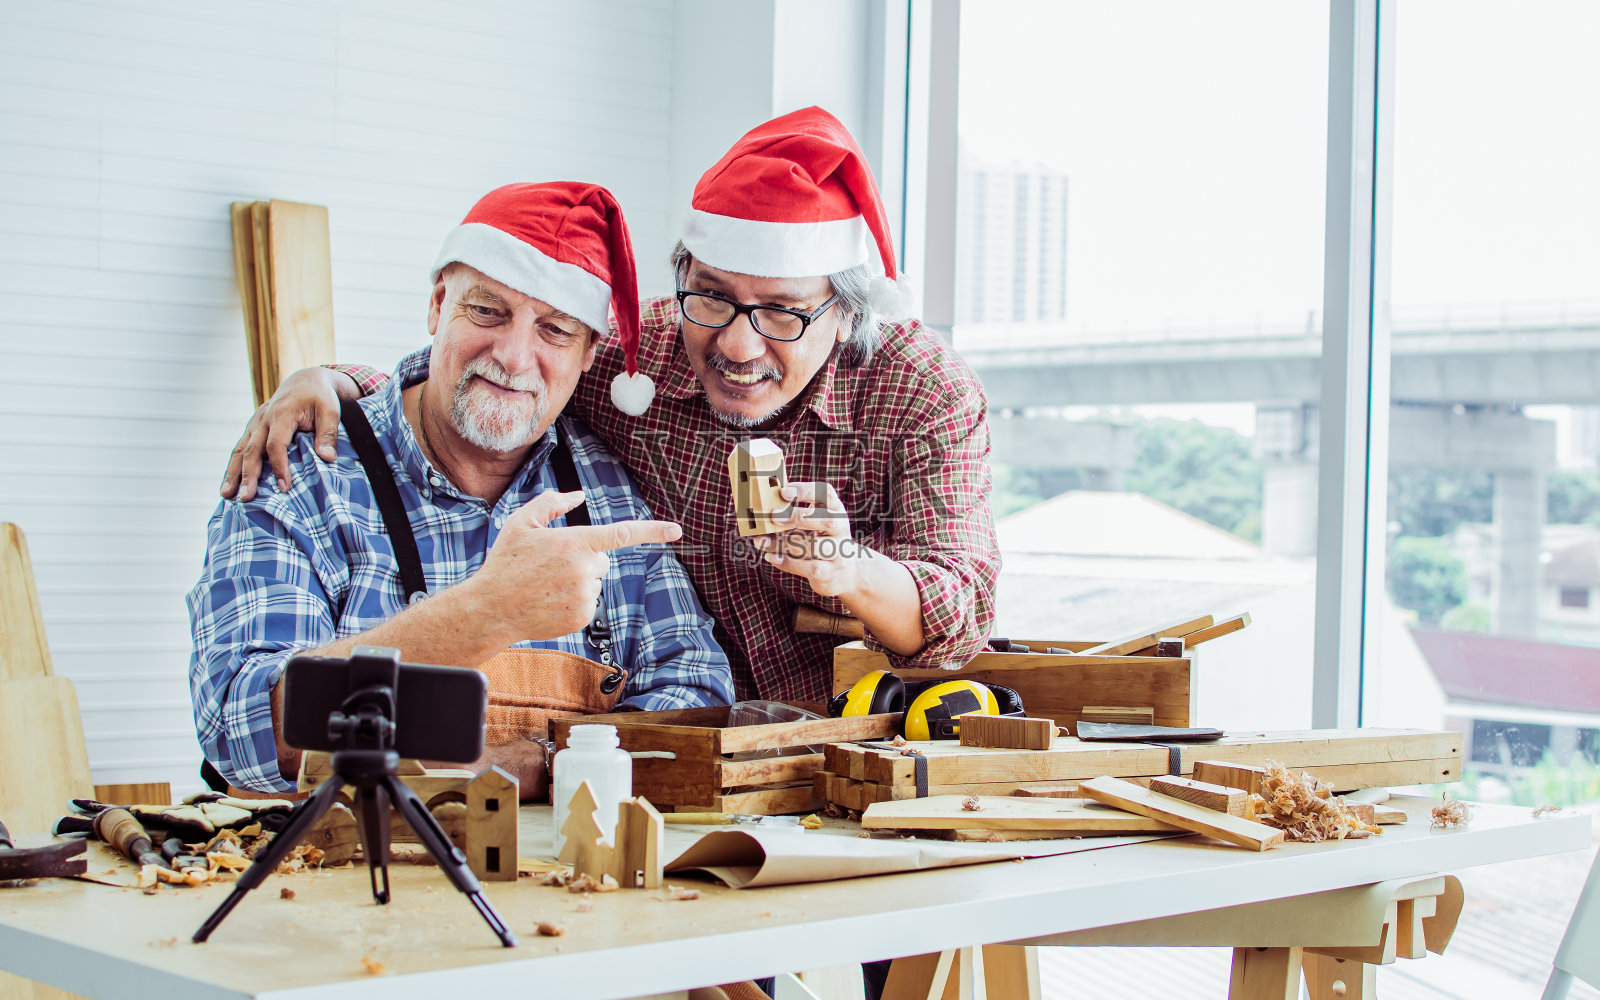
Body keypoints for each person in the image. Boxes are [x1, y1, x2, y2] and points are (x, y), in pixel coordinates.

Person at [220, 107, 998, 705]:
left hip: (849, 745)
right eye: (713, 299)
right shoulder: (638, 356)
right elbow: (498, 376)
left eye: (782, 314)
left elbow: (963, 612)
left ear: (846, 312)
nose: (735, 346)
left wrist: (849, 571)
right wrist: (325, 381)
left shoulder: (921, 394)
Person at [190, 183, 734, 799]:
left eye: (554, 329)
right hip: (331, 880)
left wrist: (530, 762)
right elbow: (242, 727)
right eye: (487, 310)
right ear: (437, 305)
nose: (512, 355)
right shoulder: (304, 474)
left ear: (588, 357)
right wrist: (486, 612)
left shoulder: (603, 492)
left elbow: (698, 698)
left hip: (558, 887)